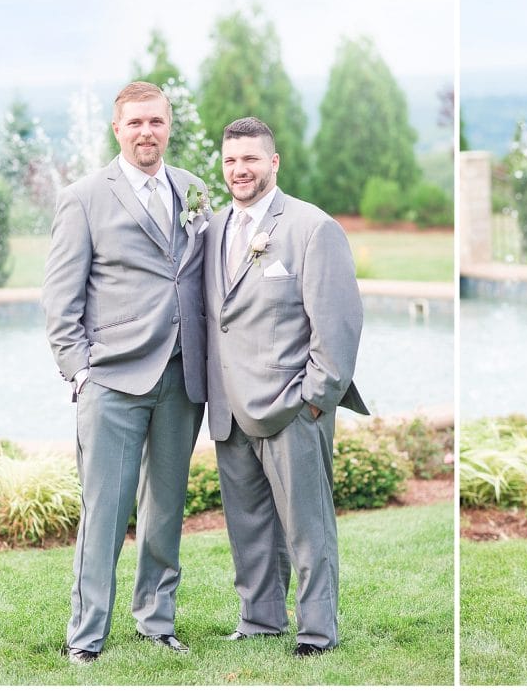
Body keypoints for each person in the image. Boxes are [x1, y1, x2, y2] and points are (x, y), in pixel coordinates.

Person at [42, 81, 211, 665]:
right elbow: (60, 298)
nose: (146, 132)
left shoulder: (193, 189)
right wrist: (79, 372)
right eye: (135, 122)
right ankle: (85, 635)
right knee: (105, 514)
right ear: (117, 128)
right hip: (112, 380)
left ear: (169, 126)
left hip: (181, 379)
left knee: (165, 510)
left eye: (156, 122)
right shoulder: (84, 197)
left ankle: (156, 621)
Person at [203, 117, 368, 657]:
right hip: (230, 407)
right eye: (231, 160)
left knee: (307, 527)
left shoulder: (312, 228)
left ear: (273, 162)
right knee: (248, 525)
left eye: (250, 158)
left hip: (292, 406)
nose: (239, 169)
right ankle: (260, 619)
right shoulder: (213, 228)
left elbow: (337, 323)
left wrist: (315, 400)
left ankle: (316, 631)